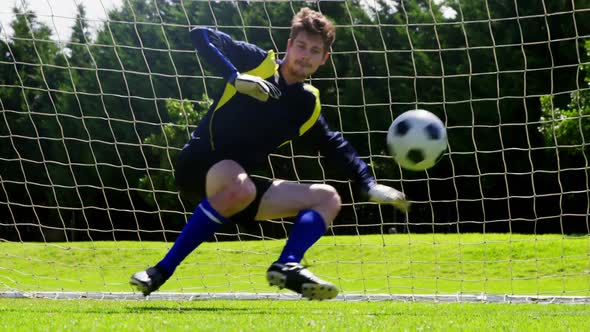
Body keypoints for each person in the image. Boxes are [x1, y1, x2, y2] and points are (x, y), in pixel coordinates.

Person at [130, 7, 409, 301]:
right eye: (300, 46)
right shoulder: (256, 62)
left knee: (327, 197)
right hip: (196, 168)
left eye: (315, 51)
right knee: (241, 185)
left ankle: (287, 264)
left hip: (241, 191)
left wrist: (368, 184)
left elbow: (334, 145)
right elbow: (200, 35)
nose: (305, 55)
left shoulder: (305, 104)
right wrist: (235, 77)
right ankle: (160, 271)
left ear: (324, 59)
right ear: (288, 46)